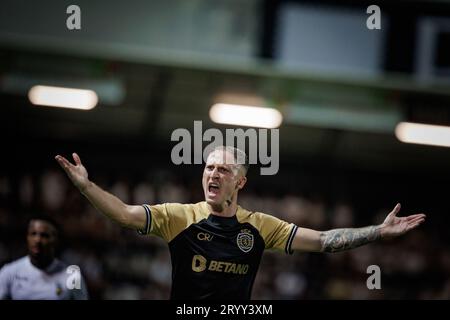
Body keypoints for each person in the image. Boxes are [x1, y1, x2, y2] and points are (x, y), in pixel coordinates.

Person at [54, 146, 426, 300]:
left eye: (224, 169)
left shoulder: (261, 227)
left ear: (240, 182)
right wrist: (86, 187)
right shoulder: (178, 217)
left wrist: (378, 231)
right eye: (209, 168)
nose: (213, 174)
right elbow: (122, 213)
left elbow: (327, 240)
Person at [0, 217, 89, 300]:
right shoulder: (9, 272)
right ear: (27, 237)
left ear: (55, 240)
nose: (37, 240)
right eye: (33, 234)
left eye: (44, 235)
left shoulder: (72, 276)